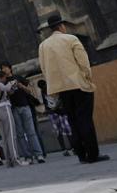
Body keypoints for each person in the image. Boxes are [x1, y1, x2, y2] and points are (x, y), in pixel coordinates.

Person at [37, 13, 109, 163]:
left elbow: (44, 69)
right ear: (62, 26)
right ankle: (93, 154)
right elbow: (83, 62)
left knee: (72, 121)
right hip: (78, 85)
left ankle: (81, 155)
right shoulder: (71, 39)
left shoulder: (43, 46)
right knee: (85, 120)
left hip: (61, 89)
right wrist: (87, 78)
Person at [0, 62, 45, 164]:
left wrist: (21, 86)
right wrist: (10, 90)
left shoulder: (18, 77)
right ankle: (27, 156)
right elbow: (5, 96)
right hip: (14, 109)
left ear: (10, 68)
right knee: (20, 134)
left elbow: (30, 91)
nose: (4, 70)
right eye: (2, 69)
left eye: (5, 68)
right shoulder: (3, 82)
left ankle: (39, 155)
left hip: (25, 106)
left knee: (31, 132)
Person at [0, 69, 21, 167]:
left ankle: (8, 160)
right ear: (0, 77)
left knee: (4, 136)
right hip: (5, 108)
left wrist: (13, 87)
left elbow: (7, 91)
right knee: (11, 134)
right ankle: (15, 159)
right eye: (4, 78)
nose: (5, 80)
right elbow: (6, 88)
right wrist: (12, 82)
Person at [39, 79, 73, 156]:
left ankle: (73, 147)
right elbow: (45, 102)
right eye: (42, 88)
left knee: (67, 130)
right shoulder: (43, 91)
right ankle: (64, 149)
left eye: (44, 87)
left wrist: (55, 107)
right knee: (59, 132)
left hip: (61, 111)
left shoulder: (54, 88)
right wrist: (46, 110)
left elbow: (61, 98)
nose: (43, 89)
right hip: (53, 113)